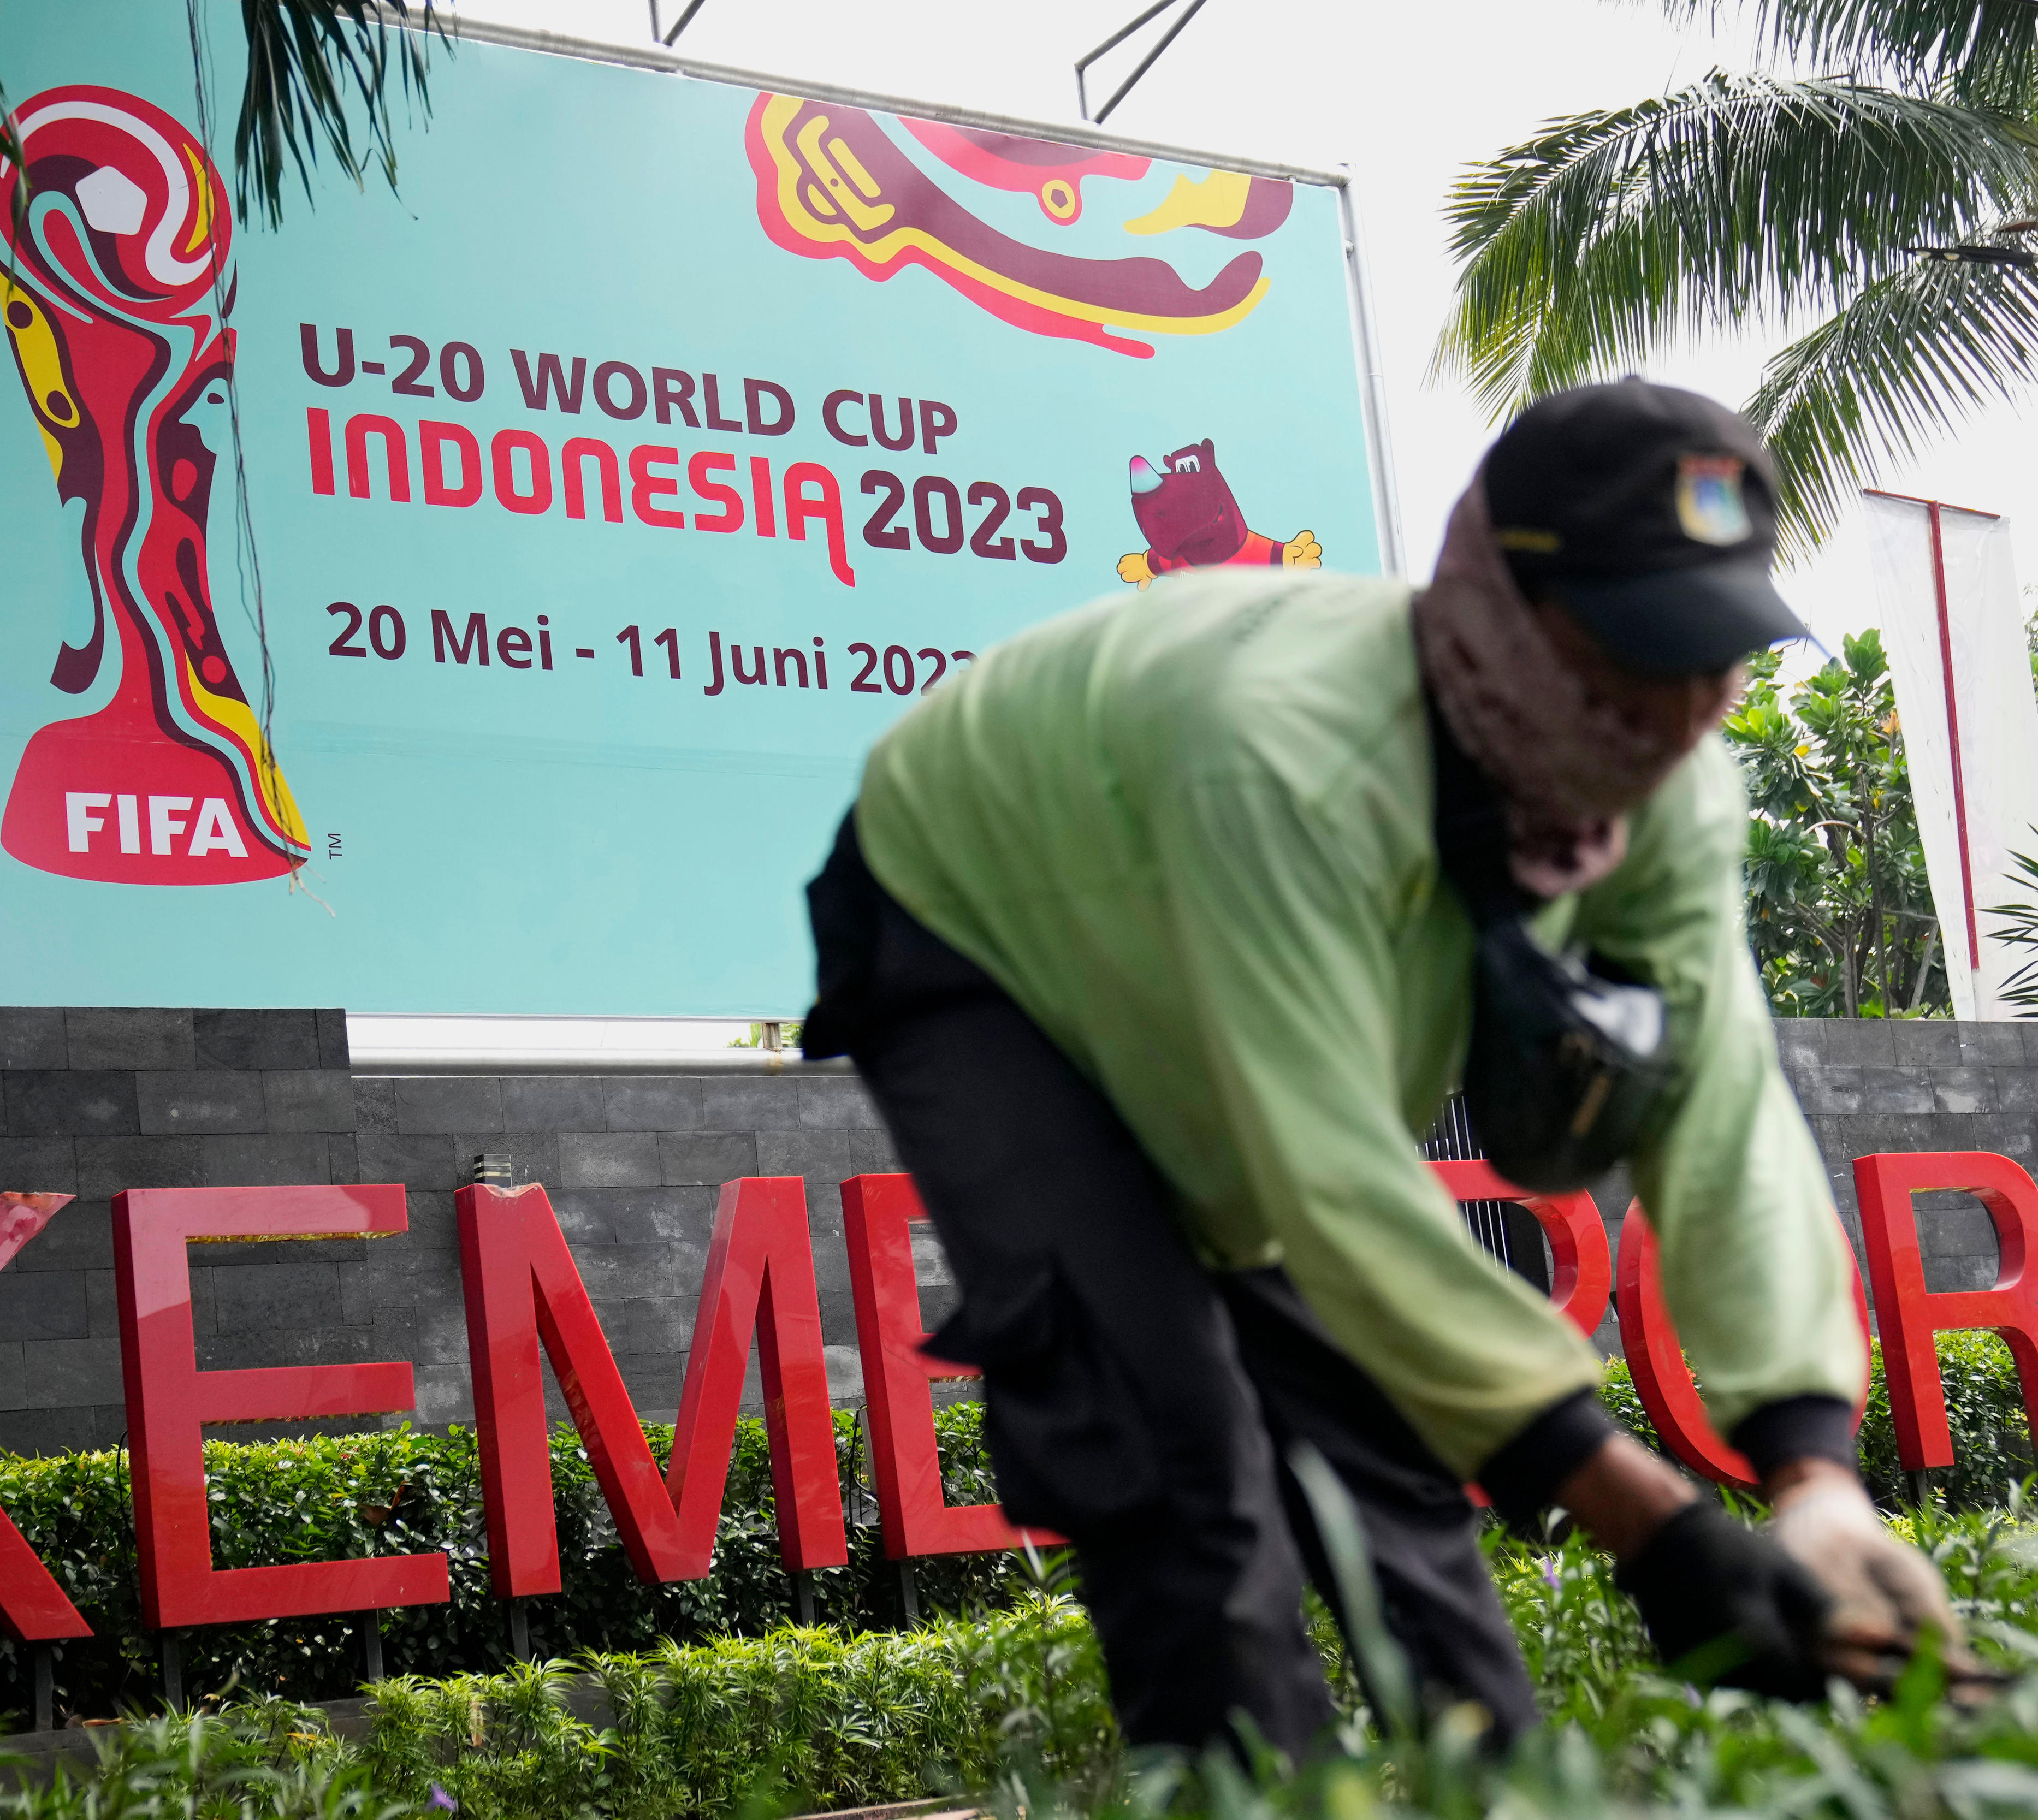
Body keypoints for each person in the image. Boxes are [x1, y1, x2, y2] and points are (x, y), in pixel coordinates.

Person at [799, 381, 1960, 1758]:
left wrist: (1810, 1473)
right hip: (983, 915)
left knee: (1389, 1446)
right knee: (1176, 1453)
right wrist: (1657, 1530)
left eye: (1716, 653)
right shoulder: (1287, 752)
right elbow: (1337, 1176)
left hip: (1204, 967)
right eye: (1643, 652)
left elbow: (1722, 1107)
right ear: (1499, 605)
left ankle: (1508, 1787)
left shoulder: (1672, 770)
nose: (1684, 709)